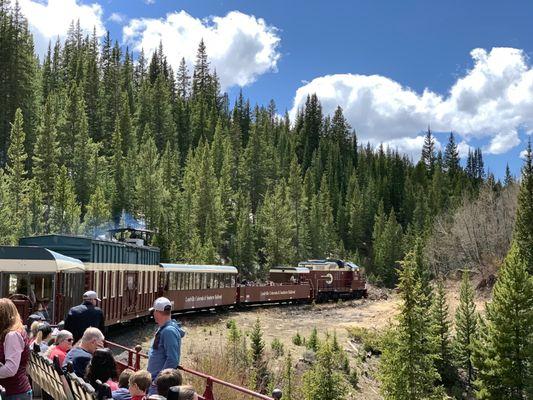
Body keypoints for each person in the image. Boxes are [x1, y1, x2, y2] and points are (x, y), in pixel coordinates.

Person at [146, 298, 185, 394]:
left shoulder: (168, 331)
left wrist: (158, 380)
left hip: (159, 385)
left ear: (157, 312)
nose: (153, 314)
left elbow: (172, 359)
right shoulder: (164, 329)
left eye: (154, 311)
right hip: (156, 381)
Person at [0, 298, 32, 400]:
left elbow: (10, 369)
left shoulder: (12, 335)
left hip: (16, 394)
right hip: (13, 392)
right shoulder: (12, 333)